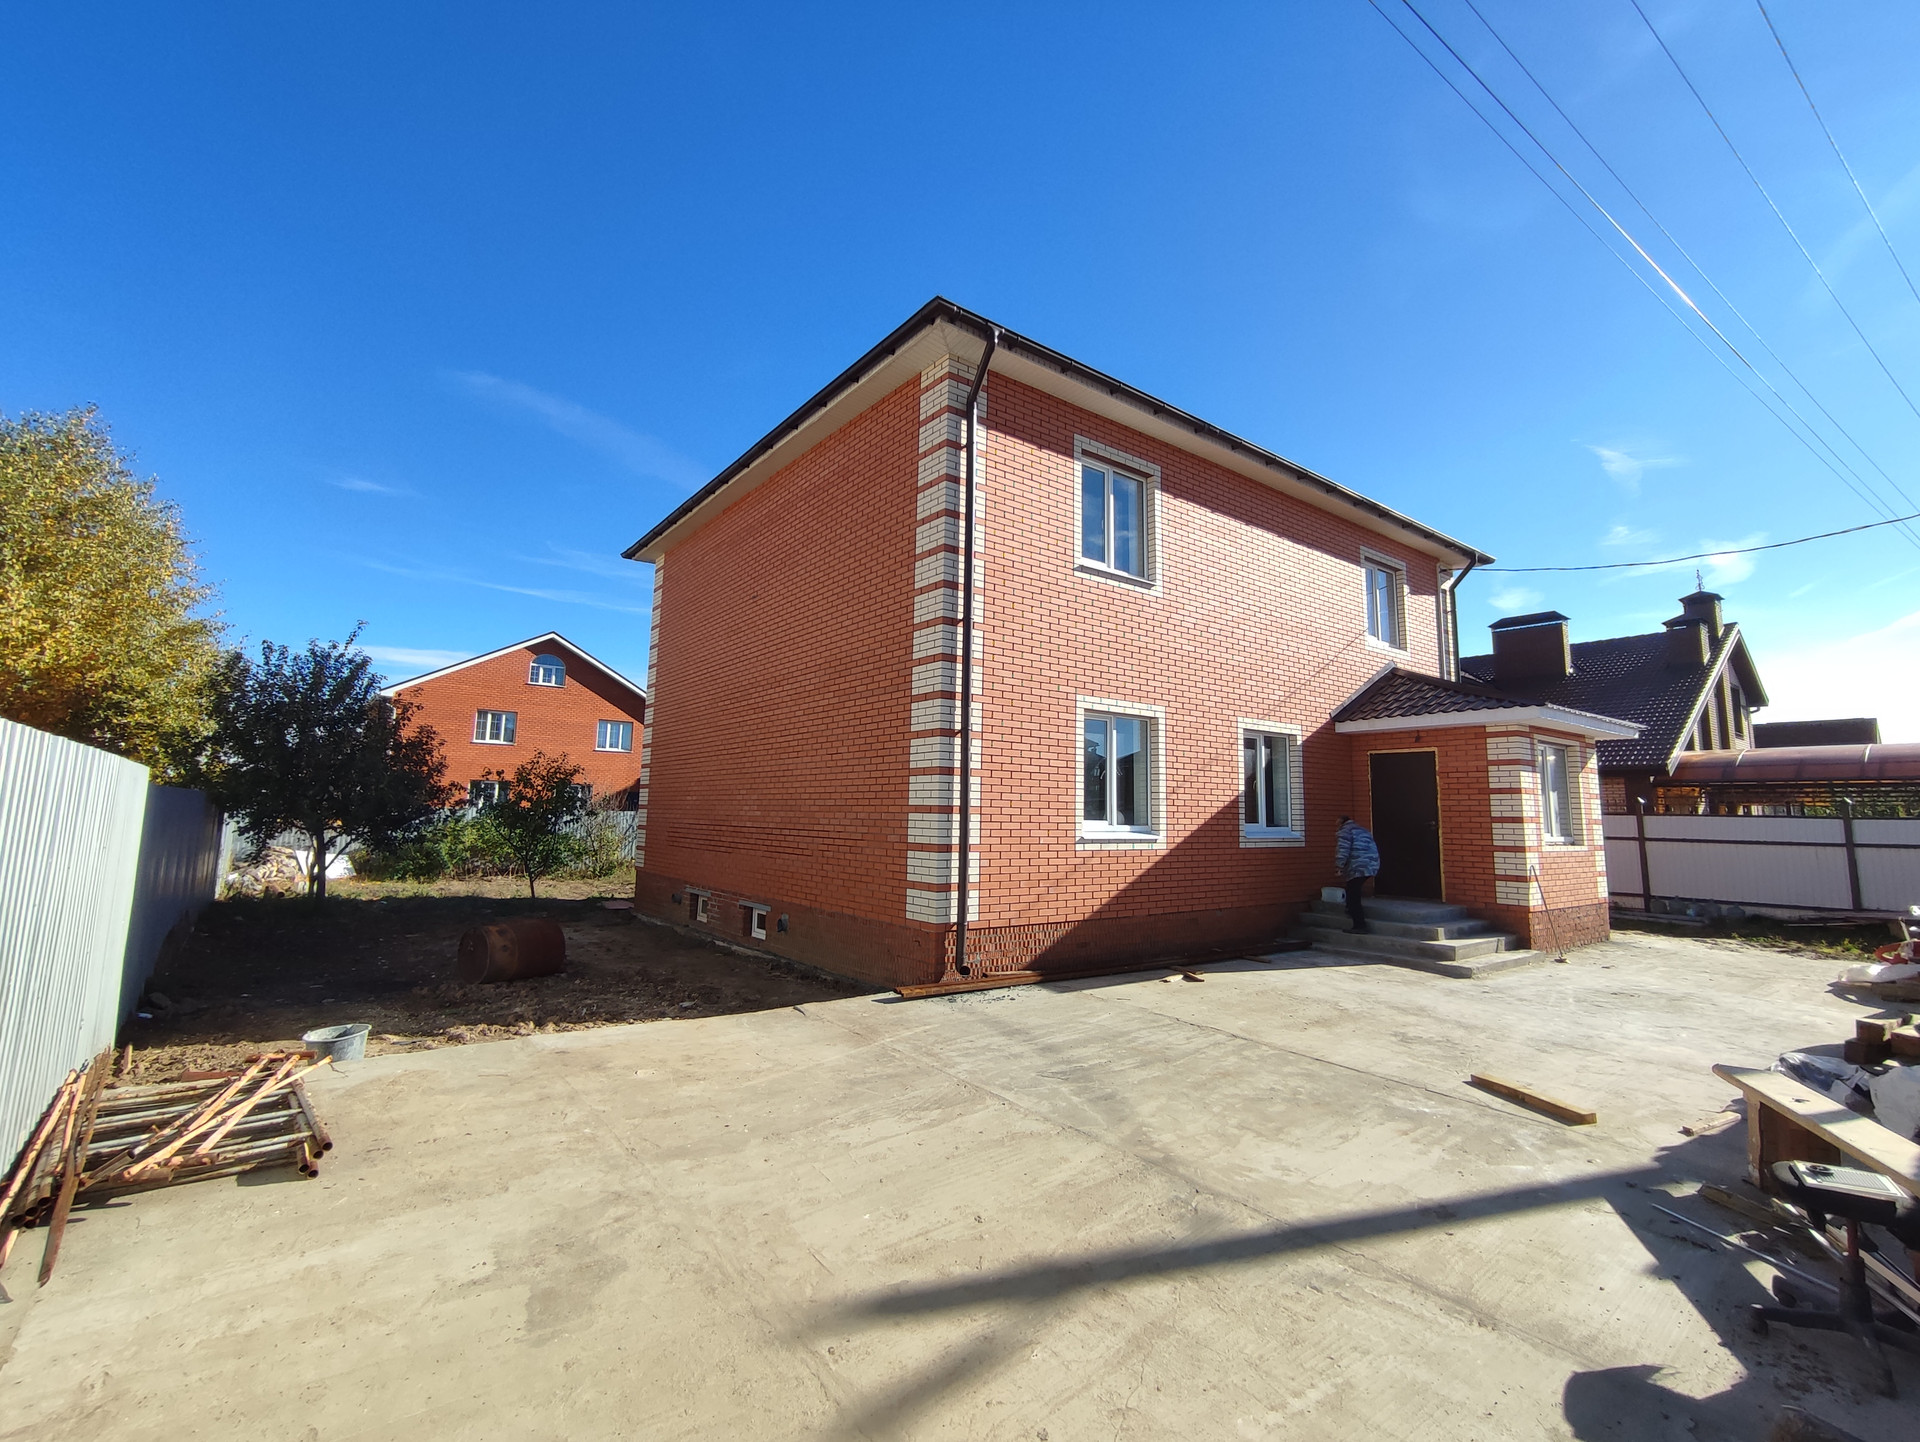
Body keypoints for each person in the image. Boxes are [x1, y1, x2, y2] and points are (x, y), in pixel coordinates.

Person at [1334, 815, 1380, 934]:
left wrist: (1339, 866)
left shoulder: (1345, 831)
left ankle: (1360, 925)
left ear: (1341, 822)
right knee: (1353, 890)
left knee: (1352, 895)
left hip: (1357, 866)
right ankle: (1350, 910)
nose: (1336, 826)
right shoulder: (1362, 830)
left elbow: (1343, 850)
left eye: (1337, 823)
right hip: (1371, 864)